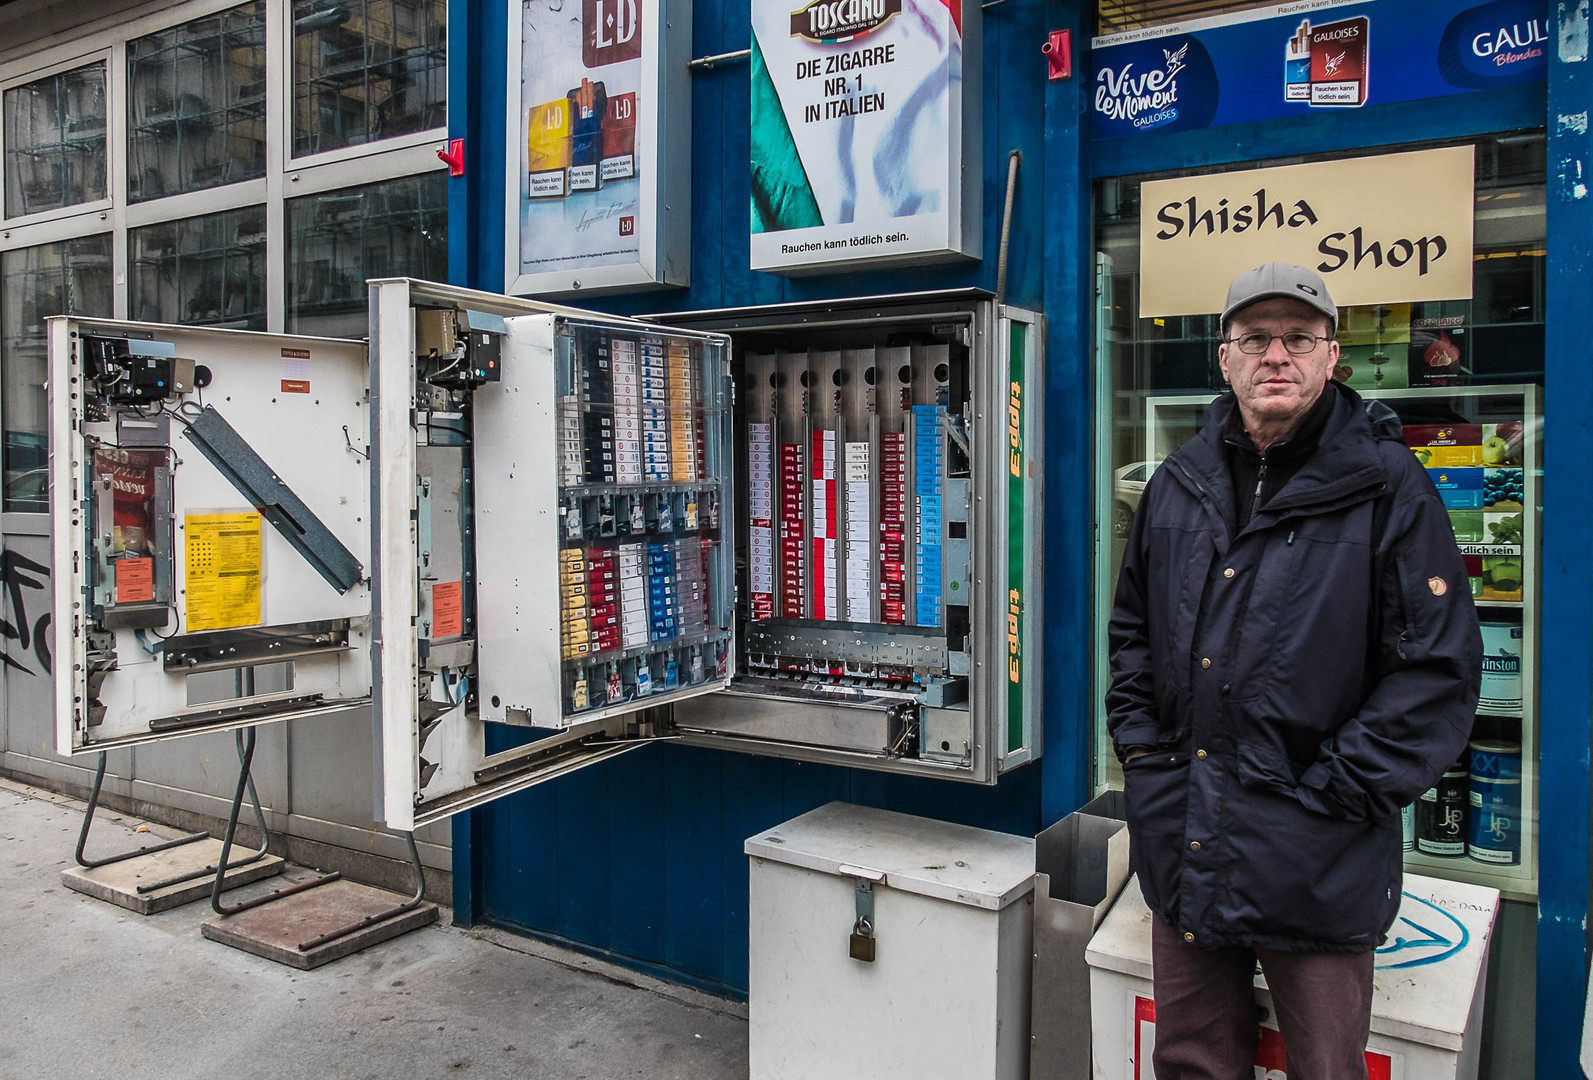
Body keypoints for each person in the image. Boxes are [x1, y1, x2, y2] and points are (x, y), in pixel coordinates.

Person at [1107, 262, 1482, 1080]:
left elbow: (1436, 670)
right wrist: (1142, 756)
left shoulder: (1387, 488)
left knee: (1324, 1068)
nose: (1275, 355)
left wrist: (1334, 796)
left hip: (1316, 857)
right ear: (1224, 357)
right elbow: (1131, 633)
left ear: (1330, 356)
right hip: (1185, 840)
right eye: (1255, 339)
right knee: (1191, 1064)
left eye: (1297, 339)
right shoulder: (1178, 485)